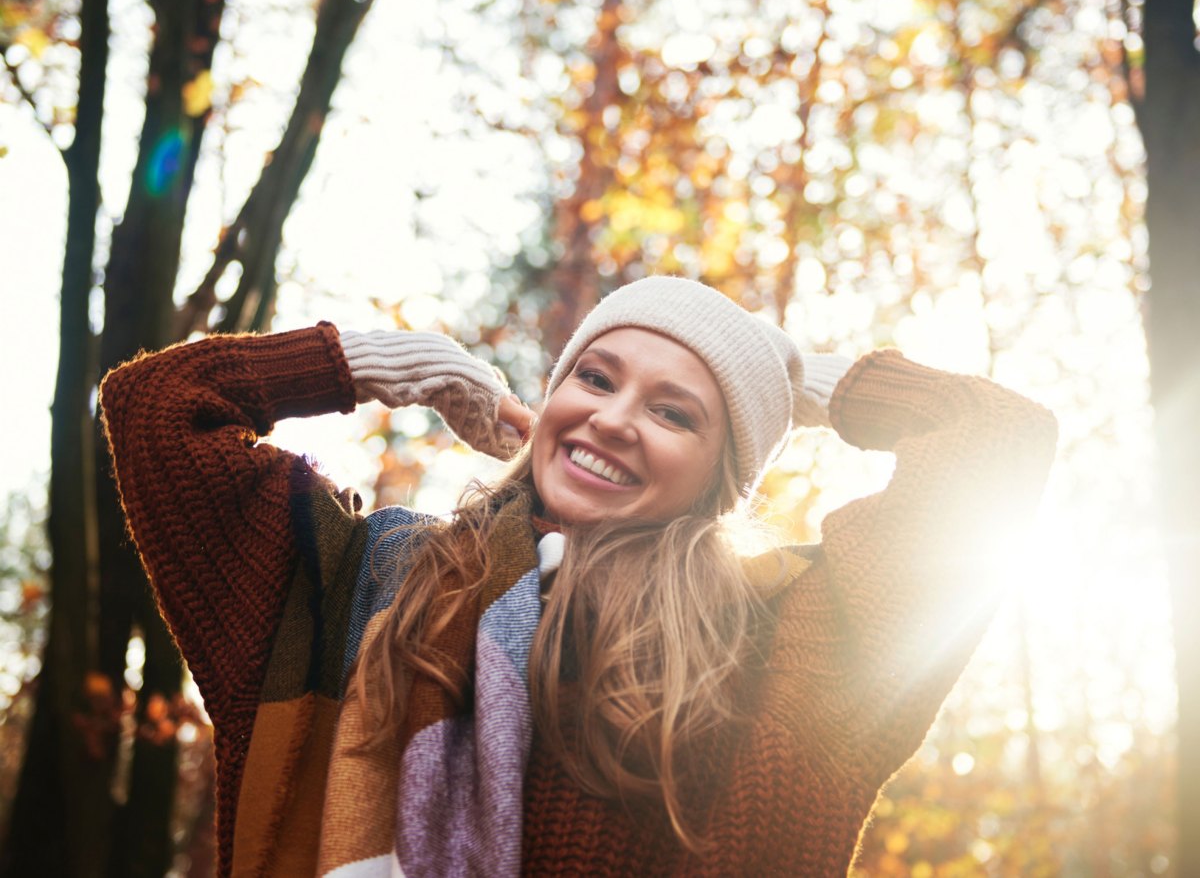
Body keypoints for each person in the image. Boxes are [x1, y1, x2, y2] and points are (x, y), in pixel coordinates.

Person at [99, 275, 1057, 877]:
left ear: (722, 478)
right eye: (594, 378)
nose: (612, 419)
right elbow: (156, 407)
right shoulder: (363, 584)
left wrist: (799, 382)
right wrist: (405, 367)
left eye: (677, 413)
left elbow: (994, 440)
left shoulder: (791, 639)